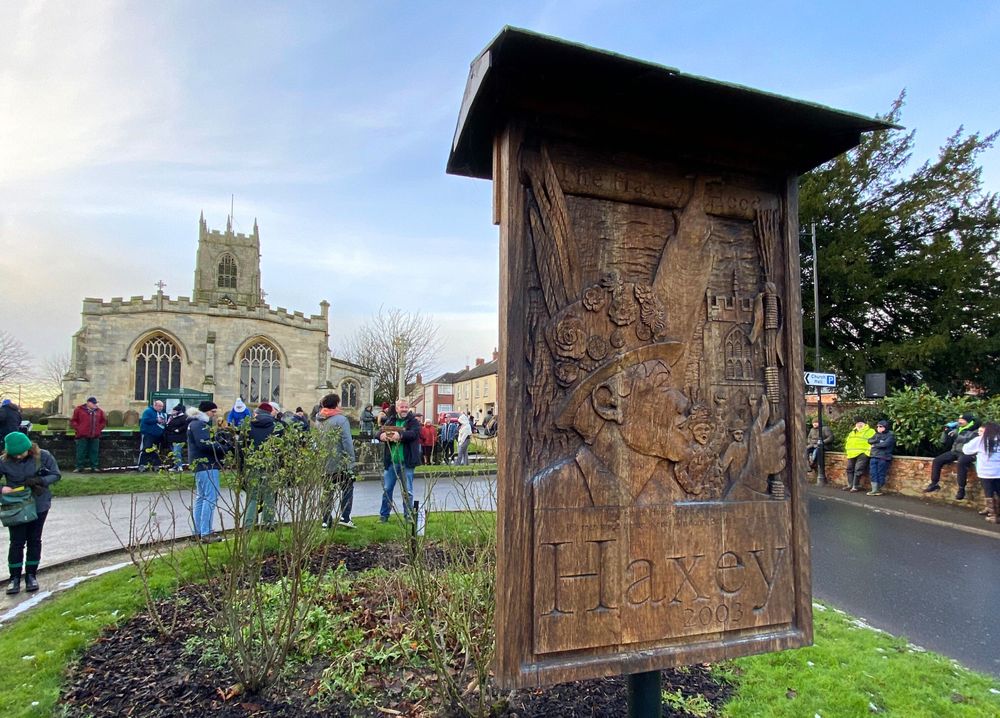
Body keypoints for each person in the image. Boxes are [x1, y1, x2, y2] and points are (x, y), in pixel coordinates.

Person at [1, 431, 60, 594]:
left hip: (39, 503)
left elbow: (56, 475)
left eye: (21, 453)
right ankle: (14, 578)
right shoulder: (4, 461)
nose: (19, 456)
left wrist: (41, 480)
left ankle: (31, 575)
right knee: (17, 541)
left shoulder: (43, 456)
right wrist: (2, 489)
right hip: (17, 505)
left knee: (34, 539)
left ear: (29, 448)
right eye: (15, 454)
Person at [187, 401, 228, 542]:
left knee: (201, 497)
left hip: (200, 465)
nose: (214, 415)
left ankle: (198, 531)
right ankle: (206, 532)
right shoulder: (199, 425)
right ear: (206, 411)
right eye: (213, 412)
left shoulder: (194, 424)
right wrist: (222, 447)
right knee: (210, 498)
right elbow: (204, 444)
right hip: (207, 465)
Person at [315, 393, 357, 528]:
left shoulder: (319, 419)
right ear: (337, 404)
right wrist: (350, 460)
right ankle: (345, 517)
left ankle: (325, 520)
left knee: (328, 491)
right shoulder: (341, 419)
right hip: (340, 461)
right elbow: (347, 441)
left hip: (324, 461)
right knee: (347, 488)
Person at [377, 398, 421, 522]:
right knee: (387, 489)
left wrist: (400, 435)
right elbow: (378, 432)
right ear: (397, 408)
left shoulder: (413, 422)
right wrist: (382, 436)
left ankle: (408, 516)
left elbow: (414, 434)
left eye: (406, 407)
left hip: (406, 463)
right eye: (402, 407)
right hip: (391, 462)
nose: (404, 409)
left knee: (408, 491)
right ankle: (384, 516)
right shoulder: (391, 420)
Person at [244, 402, 283, 528]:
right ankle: (268, 523)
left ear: (257, 412)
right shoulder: (277, 426)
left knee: (252, 496)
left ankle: (248, 525)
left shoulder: (248, 425)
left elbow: (241, 447)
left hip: (252, 464)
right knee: (269, 495)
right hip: (270, 464)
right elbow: (282, 447)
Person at [924, 413, 980, 499]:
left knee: (961, 463)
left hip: (967, 453)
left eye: (962, 420)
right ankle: (934, 483)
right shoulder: (958, 428)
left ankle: (961, 489)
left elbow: (967, 440)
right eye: (959, 419)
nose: (959, 421)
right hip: (955, 451)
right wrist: (945, 431)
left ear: (968, 421)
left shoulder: (975, 430)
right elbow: (943, 441)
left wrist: (955, 435)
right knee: (937, 460)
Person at [962, 422, 1000, 523]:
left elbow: (966, 450)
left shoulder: (981, 440)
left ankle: (993, 516)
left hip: (986, 472)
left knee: (989, 493)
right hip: (998, 471)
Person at [69, 396, 106, 472]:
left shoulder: (99, 411)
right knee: (81, 451)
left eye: (95, 403)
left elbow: (103, 421)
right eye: (93, 403)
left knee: (94, 452)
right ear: (88, 403)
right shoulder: (79, 410)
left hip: (95, 435)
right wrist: (79, 429)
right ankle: (79, 467)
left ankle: (94, 467)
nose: (95, 404)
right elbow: (73, 421)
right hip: (82, 435)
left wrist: (99, 429)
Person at [843, 420, 875, 492]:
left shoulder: (870, 431)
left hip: (863, 453)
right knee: (849, 469)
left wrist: (868, 451)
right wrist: (847, 450)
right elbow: (848, 441)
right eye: (857, 423)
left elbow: (873, 441)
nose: (859, 425)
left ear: (865, 424)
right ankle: (850, 485)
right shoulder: (852, 432)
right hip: (851, 453)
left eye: (861, 423)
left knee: (858, 469)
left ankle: (855, 486)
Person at [867, 420, 896, 496]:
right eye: (877, 426)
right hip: (874, 456)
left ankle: (878, 489)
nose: (878, 428)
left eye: (880, 426)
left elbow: (885, 444)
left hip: (883, 457)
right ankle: (874, 489)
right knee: (873, 473)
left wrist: (875, 445)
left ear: (885, 427)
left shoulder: (890, 435)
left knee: (881, 473)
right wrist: (878, 440)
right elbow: (869, 441)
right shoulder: (876, 435)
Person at [137, 400, 167, 471]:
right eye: (159, 406)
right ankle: (142, 465)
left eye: (162, 406)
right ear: (155, 405)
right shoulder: (148, 411)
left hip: (158, 436)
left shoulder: (162, 413)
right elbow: (145, 420)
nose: (161, 408)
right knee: (146, 449)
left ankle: (156, 465)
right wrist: (156, 420)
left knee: (156, 451)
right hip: (148, 434)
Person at [164, 404, 189, 472]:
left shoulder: (184, 417)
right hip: (171, 438)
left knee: (176, 452)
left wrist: (178, 429)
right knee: (174, 453)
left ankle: (179, 466)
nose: (173, 412)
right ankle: (176, 466)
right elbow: (168, 426)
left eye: (174, 411)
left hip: (180, 438)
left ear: (179, 411)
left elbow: (186, 426)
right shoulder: (172, 417)